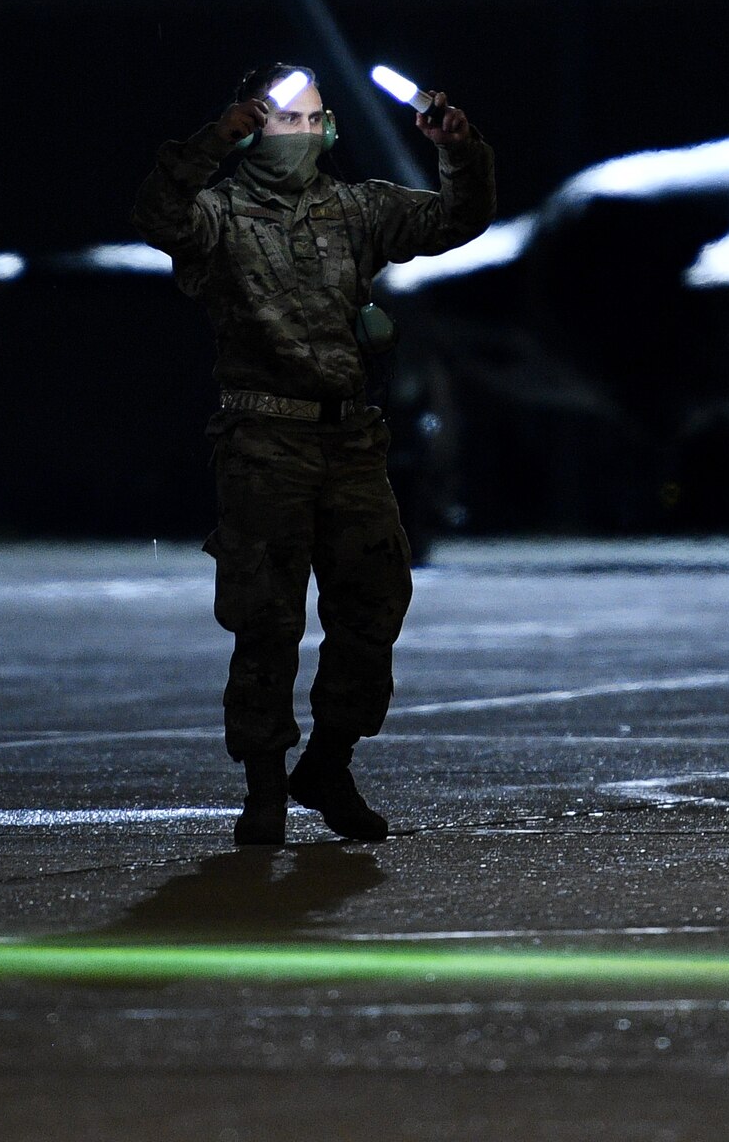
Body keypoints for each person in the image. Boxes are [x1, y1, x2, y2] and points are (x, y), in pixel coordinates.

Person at [133, 61, 496, 844]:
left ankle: (328, 762)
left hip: (350, 439)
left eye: (313, 121)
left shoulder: (356, 209)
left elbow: (454, 222)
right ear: (251, 127)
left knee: (374, 606)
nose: (303, 134)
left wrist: (459, 151)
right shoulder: (219, 215)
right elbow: (159, 215)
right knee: (266, 618)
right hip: (263, 441)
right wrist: (210, 142)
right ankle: (264, 787)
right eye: (284, 120)